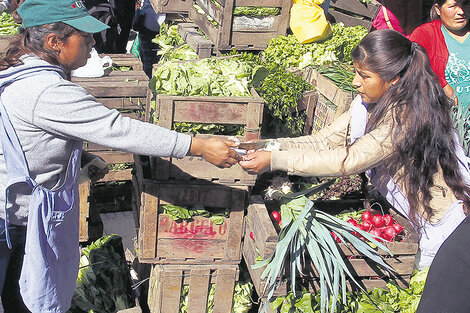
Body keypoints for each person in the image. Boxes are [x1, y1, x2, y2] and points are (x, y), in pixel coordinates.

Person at [0, 0, 240, 312]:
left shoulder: (25, 69)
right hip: (11, 221)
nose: (92, 43)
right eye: (84, 36)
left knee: (15, 290)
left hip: (13, 212)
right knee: (21, 298)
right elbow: (120, 129)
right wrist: (198, 145)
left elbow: (29, 137)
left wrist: (83, 159)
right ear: (55, 42)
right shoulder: (47, 91)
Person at [239, 29, 470, 271]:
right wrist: (263, 146)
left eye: (364, 76)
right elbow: (323, 141)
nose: (355, 82)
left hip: (443, 227)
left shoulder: (407, 115)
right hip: (410, 215)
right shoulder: (366, 104)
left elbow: (351, 160)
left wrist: (275, 160)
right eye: (355, 72)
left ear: (393, 80)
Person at [409, 0, 470, 111]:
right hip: (440, 119)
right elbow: (413, 69)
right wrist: (441, 83)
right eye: (453, 6)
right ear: (438, 9)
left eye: (466, 3)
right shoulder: (425, 34)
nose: (461, 11)